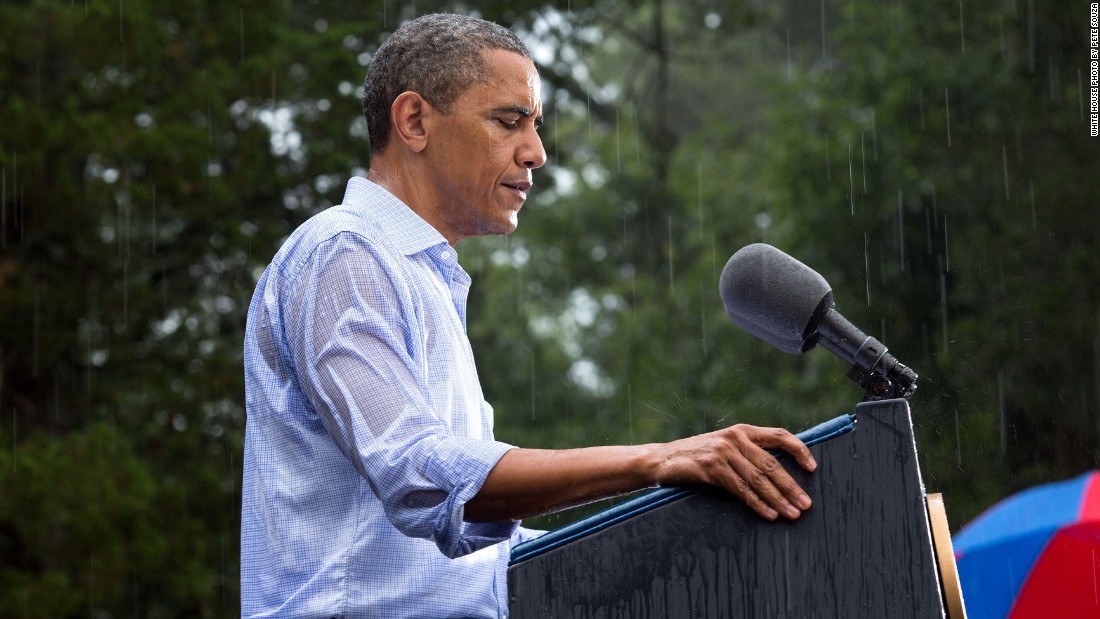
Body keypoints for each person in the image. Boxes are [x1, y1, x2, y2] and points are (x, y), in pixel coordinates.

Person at [240, 12, 817, 618]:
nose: (536, 152)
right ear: (414, 121)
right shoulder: (343, 254)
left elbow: (483, 557)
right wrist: (659, 460)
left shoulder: (421, 277)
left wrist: (687, 540)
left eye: (535, 126)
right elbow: (420, 472)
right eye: (508, 122)